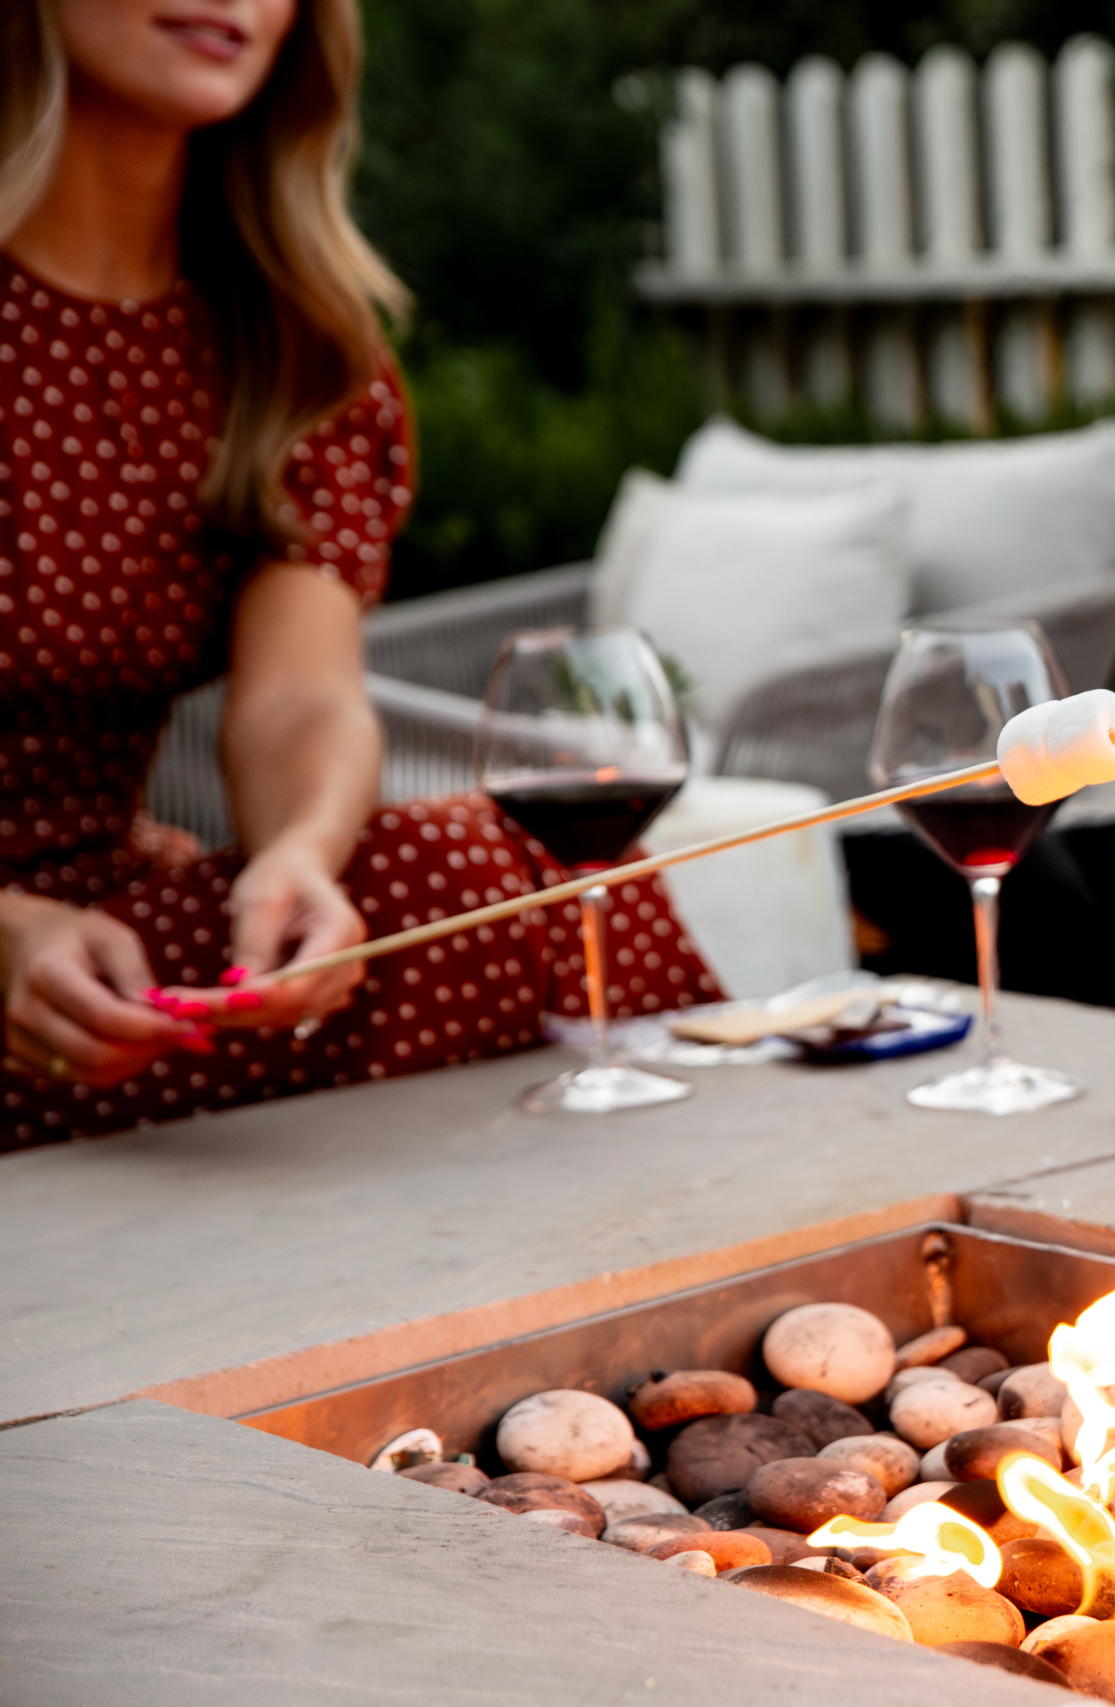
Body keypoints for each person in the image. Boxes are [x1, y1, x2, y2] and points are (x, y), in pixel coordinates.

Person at [0, 0, 718, 1150]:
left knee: (532, 873)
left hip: (106, 948)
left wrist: (299, 859)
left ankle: (709, 1222)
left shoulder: (287, 336)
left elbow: (299, 698)